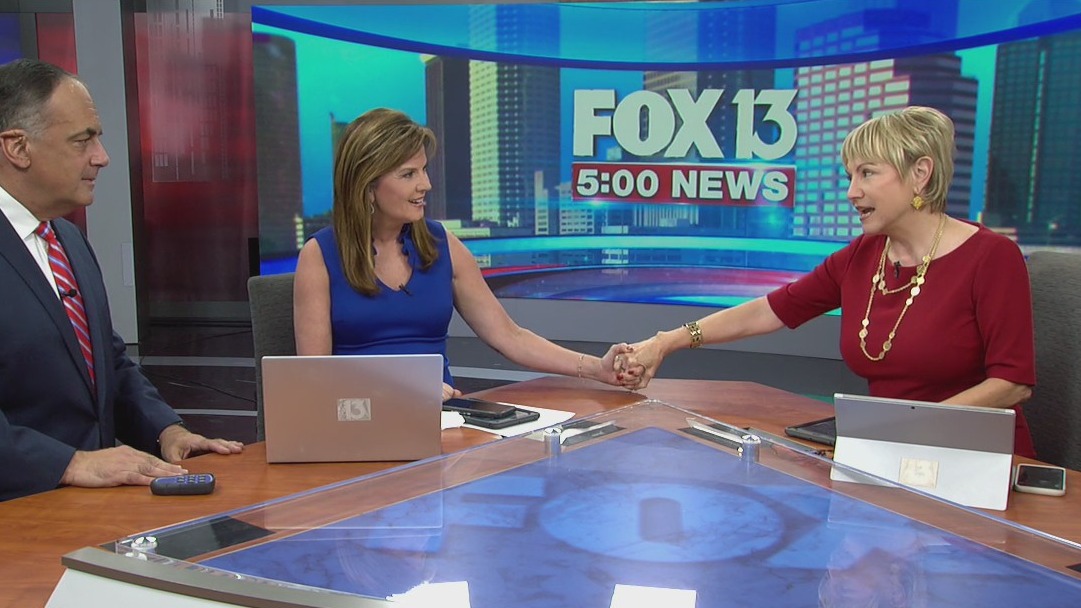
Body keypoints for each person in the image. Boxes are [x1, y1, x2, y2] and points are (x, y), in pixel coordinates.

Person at [618, 106, 1037, 457]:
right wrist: (666, 341)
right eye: (850, 176)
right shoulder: (863, 255)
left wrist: (909, 433)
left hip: (973, 460)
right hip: (889, 454)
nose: (852, 191)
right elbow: (770, 310)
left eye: (867, 174)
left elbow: (1012, 384)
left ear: (920, 173)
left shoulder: (991, 257)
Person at [0, 59, 243, 501]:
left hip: (92, 508)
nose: (102, 157)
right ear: (18, 147)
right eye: (83, 141)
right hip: (20, 512)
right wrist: (71, 463)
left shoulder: (68, 240)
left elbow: (107, 362)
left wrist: (166, 430)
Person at [294, 108, 633, 399]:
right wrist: (405, 390)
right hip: (357, 421)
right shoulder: (320, 256)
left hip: (439, 421)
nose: (425, 184)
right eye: (409, 174)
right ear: (368, 186)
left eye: (424, 170)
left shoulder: (443, 245)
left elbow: (509, 337)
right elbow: (313, 379)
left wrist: (597, 369)